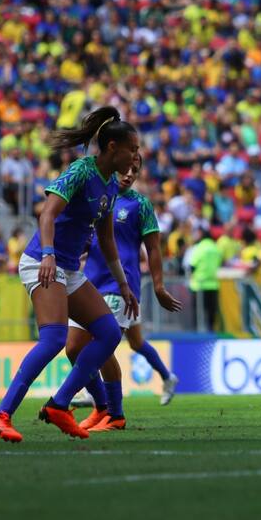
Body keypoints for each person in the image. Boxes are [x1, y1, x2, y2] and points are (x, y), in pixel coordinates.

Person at [0, 106, 140, 442]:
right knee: (54, 339)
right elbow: (47, 214)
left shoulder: (110, 186)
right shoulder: (80, 171)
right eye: (133, 149)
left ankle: (59, 404)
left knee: (109, 333)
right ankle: (0, 413)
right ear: (113, 148)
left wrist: (124, 285)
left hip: (68, 269)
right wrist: (49, 256)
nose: (136, 156)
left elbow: (107, 241)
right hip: (43, 261)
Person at [65, 155, 183, 433]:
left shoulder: (140, 204)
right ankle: (100, 404)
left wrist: (158, 286)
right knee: (73, 347)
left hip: (121, 284)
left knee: (103, 344)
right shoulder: (97, 196)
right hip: (88, 280)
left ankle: (112, 413)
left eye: (135, 170)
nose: (129, 174)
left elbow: (153, 248)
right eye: (126, 168)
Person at [187, 228, 223, 332]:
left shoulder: (199, 248)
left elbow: (192, 265)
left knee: (197, 313)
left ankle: (196, 333)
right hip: (213, 285)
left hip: (199, 285)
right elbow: (219, 263)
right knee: (211, 313)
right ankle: (211, 332)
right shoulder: (216, 248)